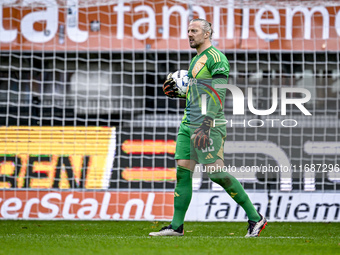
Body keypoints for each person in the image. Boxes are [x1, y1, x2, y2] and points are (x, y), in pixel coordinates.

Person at [149, 18, 267, 237]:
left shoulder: (216, 58)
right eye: (188, 31)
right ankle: (176, 226)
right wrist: (183, 91)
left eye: (194, 31)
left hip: (208, 125)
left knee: (216, 173)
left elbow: (219, 93)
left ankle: (256, 218)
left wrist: (206, 123)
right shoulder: (195, 61)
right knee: (183, 173)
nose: (190, 34)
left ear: (207, 33)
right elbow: (199, 92)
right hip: (188, 124)